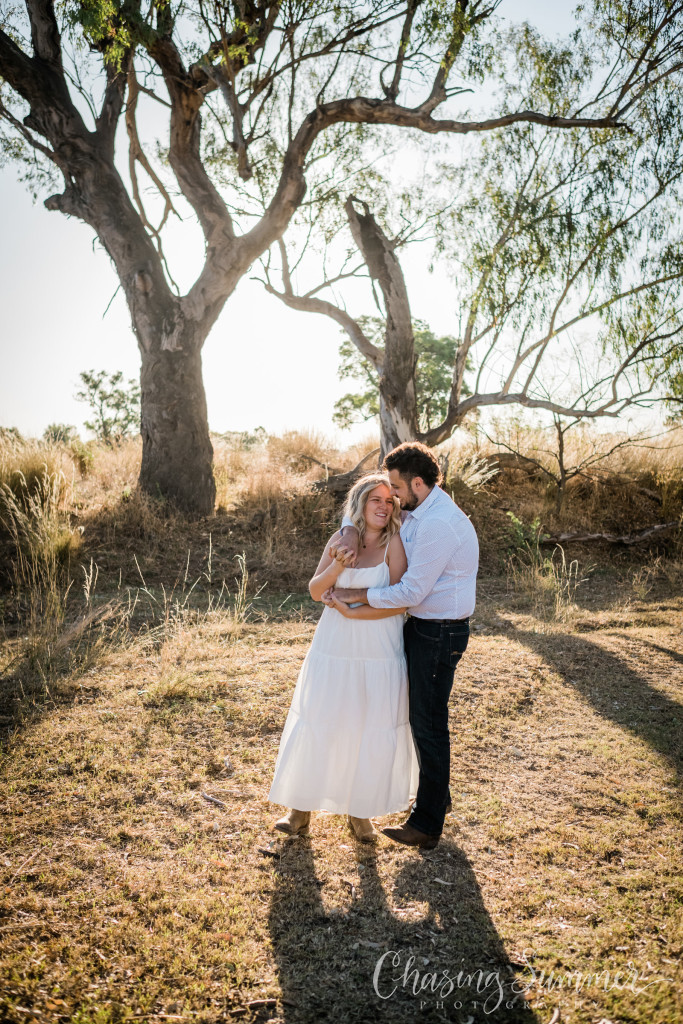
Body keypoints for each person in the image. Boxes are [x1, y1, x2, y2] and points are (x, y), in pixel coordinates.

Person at [325, 441, 479, 850]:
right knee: (419, 718)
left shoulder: (437, 524)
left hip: (440, 632)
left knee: (428, 723)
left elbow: (410, 591)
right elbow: (365, 512)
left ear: (417, 483)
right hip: (423, 628)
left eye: (395, 487)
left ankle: (426, 824)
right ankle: (438, 797)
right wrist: (349, 530)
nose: (391, 496)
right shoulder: (419, 509)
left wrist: (355, 597)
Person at [268, 473, 419, 844]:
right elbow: (315, 589)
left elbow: (400, 601)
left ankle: (360, 812)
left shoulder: (394, 543)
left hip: (378, 645)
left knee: (369, 724)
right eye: (375, 500)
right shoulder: (340, 538)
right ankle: (300, 809)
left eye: (389, 501)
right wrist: (337, 566)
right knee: (322, 717)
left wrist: (353, 610)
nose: (384, 507)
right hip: (334, 645)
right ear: (361, 504)